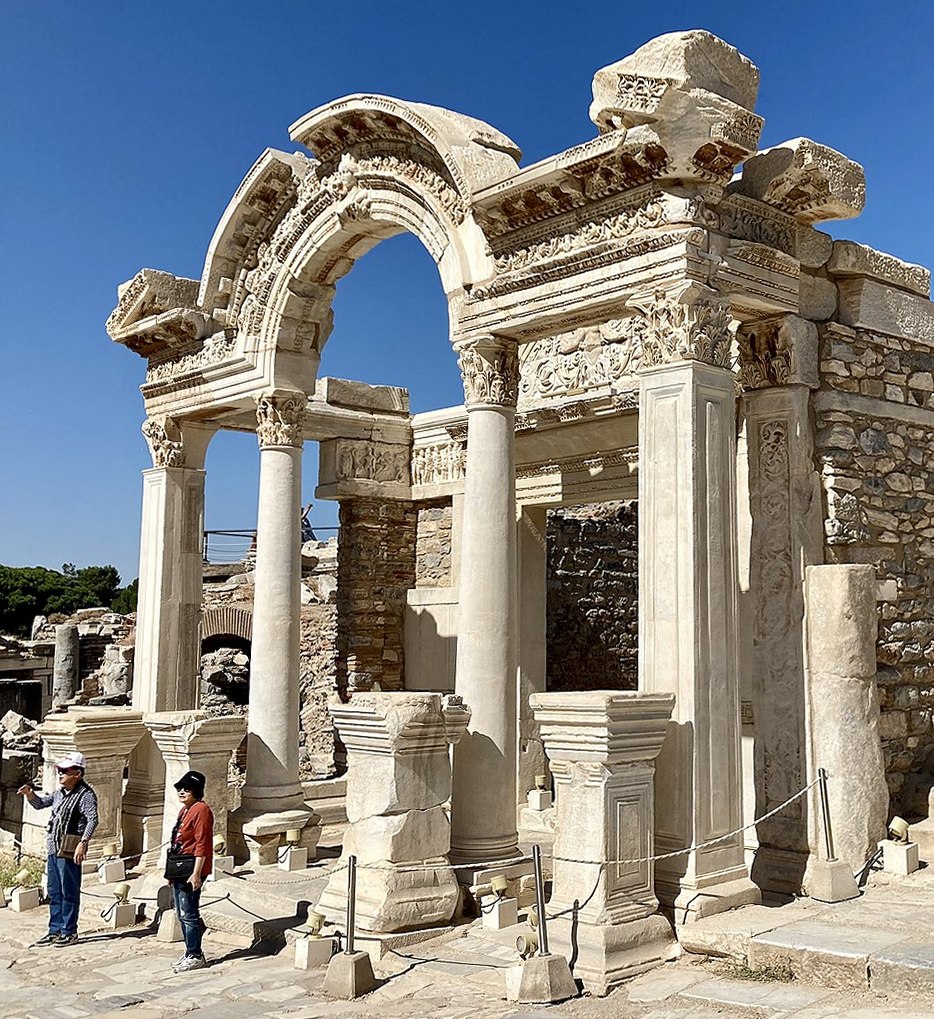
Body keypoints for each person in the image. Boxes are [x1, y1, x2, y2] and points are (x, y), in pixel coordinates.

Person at [17, 751, 99, 947]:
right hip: (54, 847)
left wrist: (84, 842)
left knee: (68, 890)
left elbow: (92, 819)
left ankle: (69, 930)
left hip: (69, 848)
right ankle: (54, 930)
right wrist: (29, 794)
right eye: (59, 770)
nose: (60, 774)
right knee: (54, 890)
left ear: (77, 773)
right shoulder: (59, 793)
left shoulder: (85, 795)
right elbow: (40, 804)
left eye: (64, 771)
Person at [167, 770, 214, 972]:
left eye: (187, 789)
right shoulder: (184, 811)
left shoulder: (201, 810)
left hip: (191, 867)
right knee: (181, 912)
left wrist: (196, 873)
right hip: (179, 865)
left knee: (189, 911)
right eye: (180, 788)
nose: (182, 792)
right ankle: (189, 950)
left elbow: (202, 844)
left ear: (196, 791)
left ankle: (195, 953)